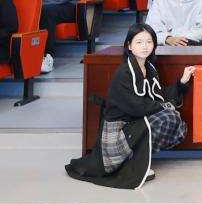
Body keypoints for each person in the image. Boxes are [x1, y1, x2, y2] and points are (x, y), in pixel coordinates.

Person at [66, 24, 194, 189]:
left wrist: (182, 82)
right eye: (139, 42)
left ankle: (135, 158)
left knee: (173, 118)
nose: (145, 46)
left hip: (133, 125)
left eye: (149, 42)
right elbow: (137, 106)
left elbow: (158, 95)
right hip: (117, 133)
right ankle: (130, 163)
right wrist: (166, 106)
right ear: (129, 46)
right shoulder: (124, 72)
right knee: (168, 116)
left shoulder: (149, 67)